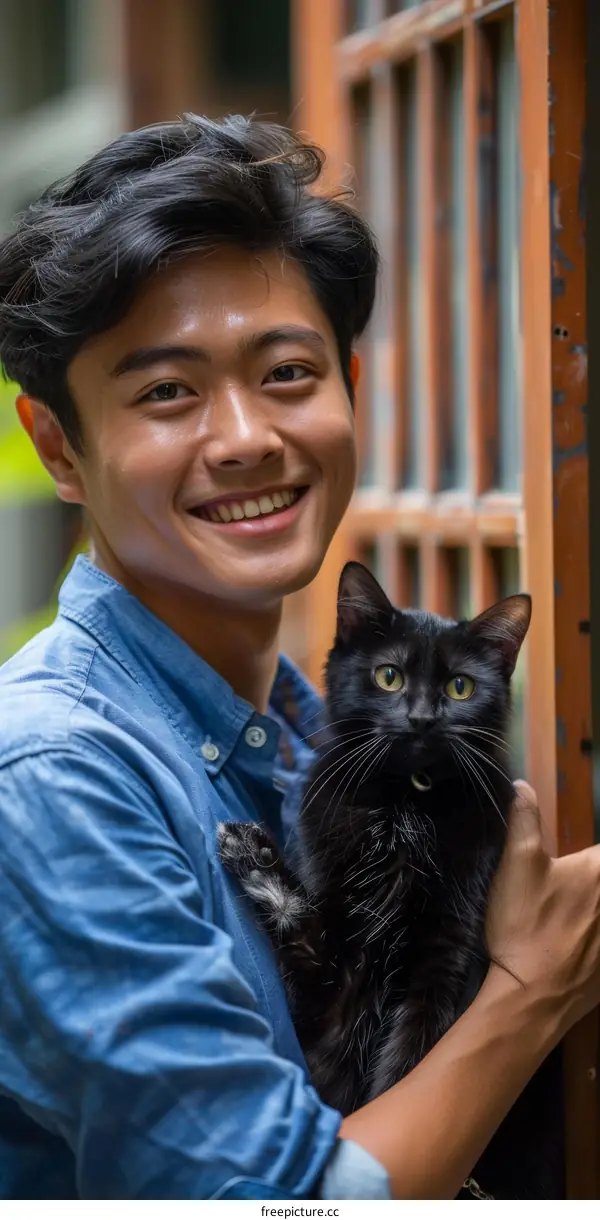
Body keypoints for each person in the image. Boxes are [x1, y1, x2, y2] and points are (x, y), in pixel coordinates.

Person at [0, 114, 598, 1202]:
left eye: (286, 371)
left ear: (348, 387)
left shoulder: (302, 730)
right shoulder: (56, 776)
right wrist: (530, 990)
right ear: (59, 448)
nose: (246, 438)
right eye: (167, 391)